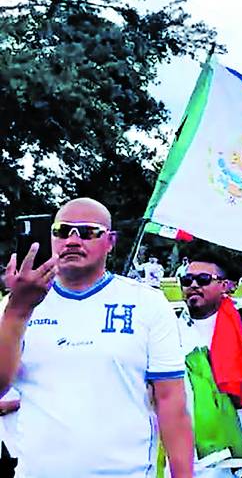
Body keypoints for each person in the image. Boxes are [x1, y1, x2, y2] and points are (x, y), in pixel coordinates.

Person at [0, 197, 193, 477]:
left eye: (88, 232)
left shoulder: (146, 303)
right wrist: (18, 309)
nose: (73, 241)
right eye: (63, 231)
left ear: (110, 241)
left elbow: (171, 402)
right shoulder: (17, 305)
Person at [177, 254, 242, 476]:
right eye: (187, 280)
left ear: (224, 286)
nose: (193, 285)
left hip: (236, 451)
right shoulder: (171, 326)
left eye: (203, 279)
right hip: (188, 453)